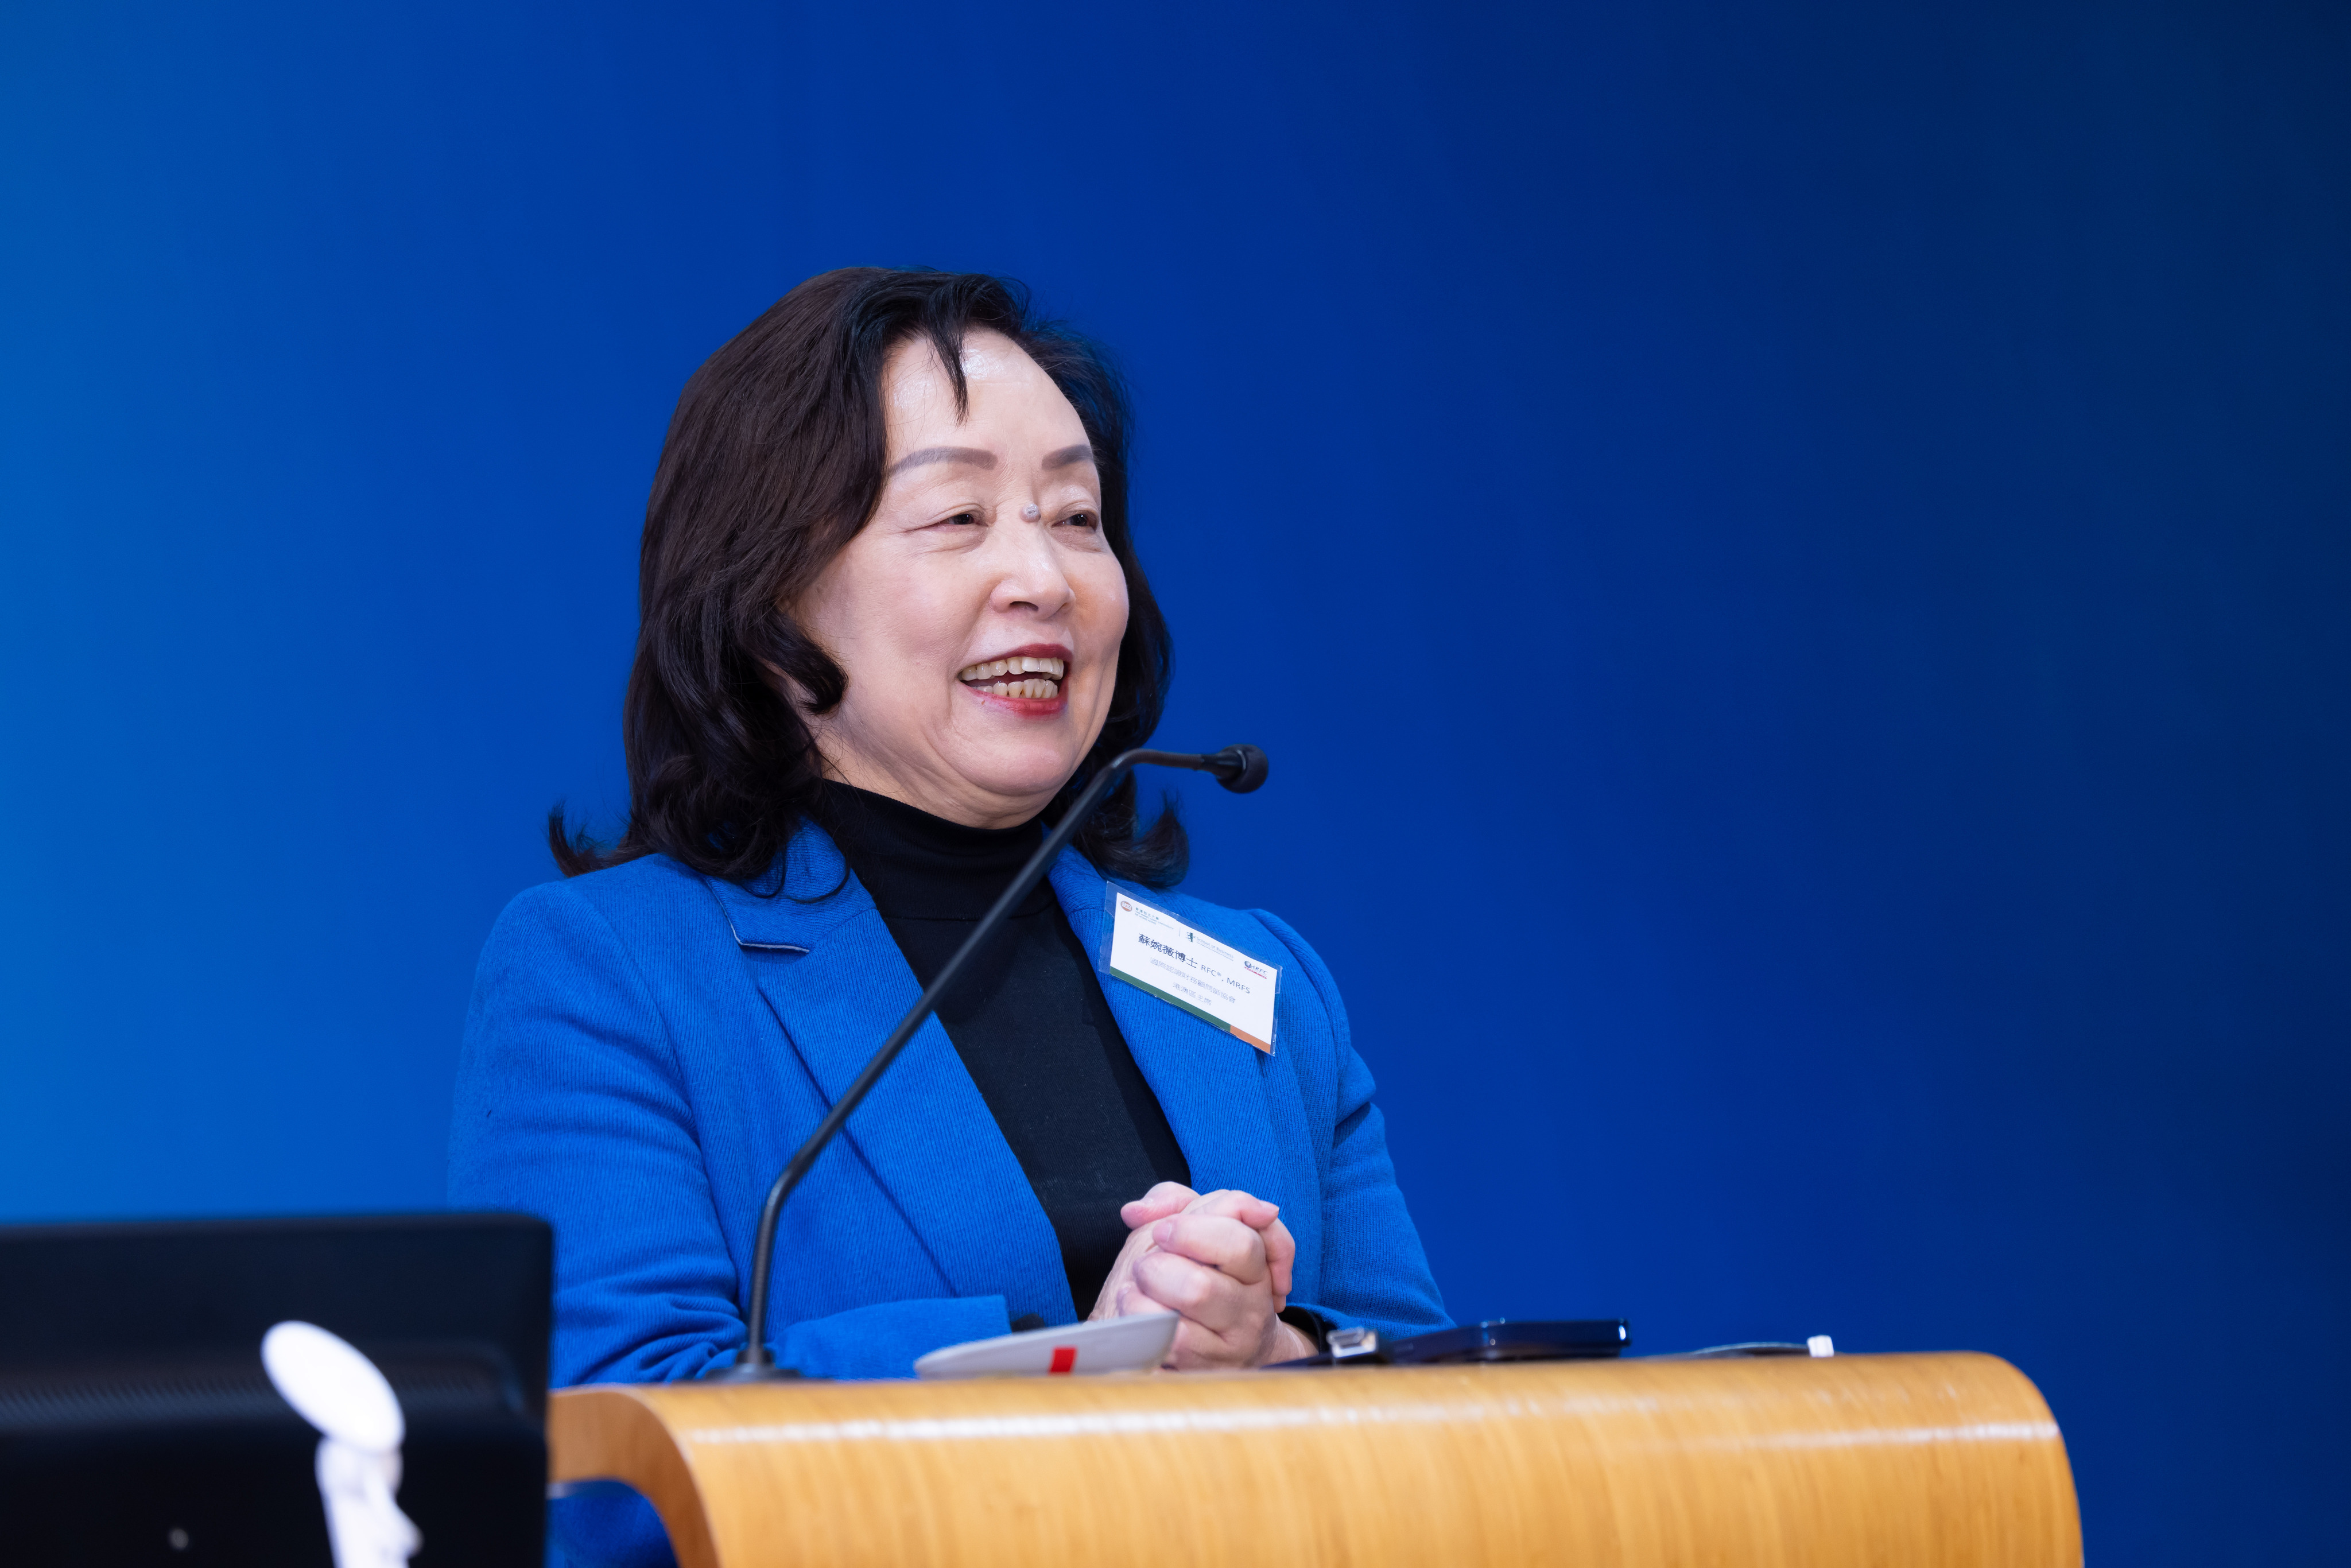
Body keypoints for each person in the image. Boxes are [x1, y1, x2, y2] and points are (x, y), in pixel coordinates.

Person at [448, 269, 1448, 1567]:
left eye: (1076, 517)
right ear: (771, 601)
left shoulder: (1263, 982)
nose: (1043, 575)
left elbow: (1436, 1394)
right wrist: (1078, 1365)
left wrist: (1279, 1351)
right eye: (959, 516)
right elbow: (610, 1467)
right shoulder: (610, 972)